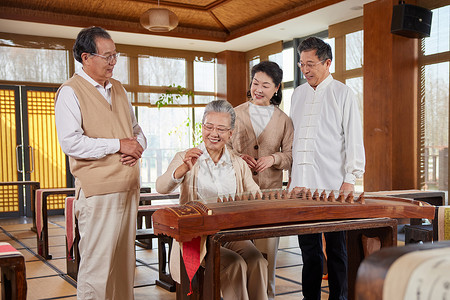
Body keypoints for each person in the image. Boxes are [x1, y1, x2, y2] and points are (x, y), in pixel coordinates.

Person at [55, 26, 147, 299]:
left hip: (129, 187)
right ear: (86, 57)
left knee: (123, 266)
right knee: (97, 268)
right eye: (107, 57)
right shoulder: (70, 92)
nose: (113, 62)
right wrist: (119, 144)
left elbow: (136, 129)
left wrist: (138, 146)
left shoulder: (118, 88)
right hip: (98, 193)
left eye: (115, 56)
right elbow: (71, 143)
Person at [156, 100, 268, 300]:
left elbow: (255, 194)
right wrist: (181, 170)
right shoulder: (186, 157)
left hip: (231, 233)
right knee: (235, 264)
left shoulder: (237, 163)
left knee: (257, 260)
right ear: (202, 127)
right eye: (209, 127)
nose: (214, 133)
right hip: (198, 237)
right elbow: (161, 187)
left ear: (230, 133)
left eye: (221, 129)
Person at [289, 37, 365, 300]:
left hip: (334, 186)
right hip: (301, 187)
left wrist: (350, 179)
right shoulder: (297, 94)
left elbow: (354, 138)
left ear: (327, 63)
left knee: (336, 250)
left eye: (310, 63)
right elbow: (294, 141)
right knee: (308, 252)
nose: (305, 69)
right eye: (301, 64)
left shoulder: (343, 93)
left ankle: (339, 298)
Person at [229, 60, 294, 299]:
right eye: (255, 83)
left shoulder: (284, 119)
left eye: (265, 85)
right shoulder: (234, 114)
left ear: (276, 88)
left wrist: (273, 159)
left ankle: (268, 295)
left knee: (267, 254)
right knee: (241, 251)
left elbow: (290, 155)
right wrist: (238, 158)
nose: (258, 89)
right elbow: (222, 149)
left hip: (270, 195)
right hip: (238, 196)